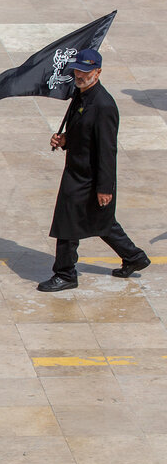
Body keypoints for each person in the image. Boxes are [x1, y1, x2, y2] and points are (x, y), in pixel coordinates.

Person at [38, 48, 150, 292]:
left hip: (88, 178)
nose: (80, 75)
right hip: (76, 170)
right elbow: (84, 135)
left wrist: (104, 188)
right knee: (102, 221)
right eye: (78, 70)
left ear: (98, 72)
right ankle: (134, 257)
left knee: (67, 222)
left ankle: (65, 274)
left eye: (86, 71)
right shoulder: (80, 95)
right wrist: (65, 140)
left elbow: (108, 151)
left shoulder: (103, 105)